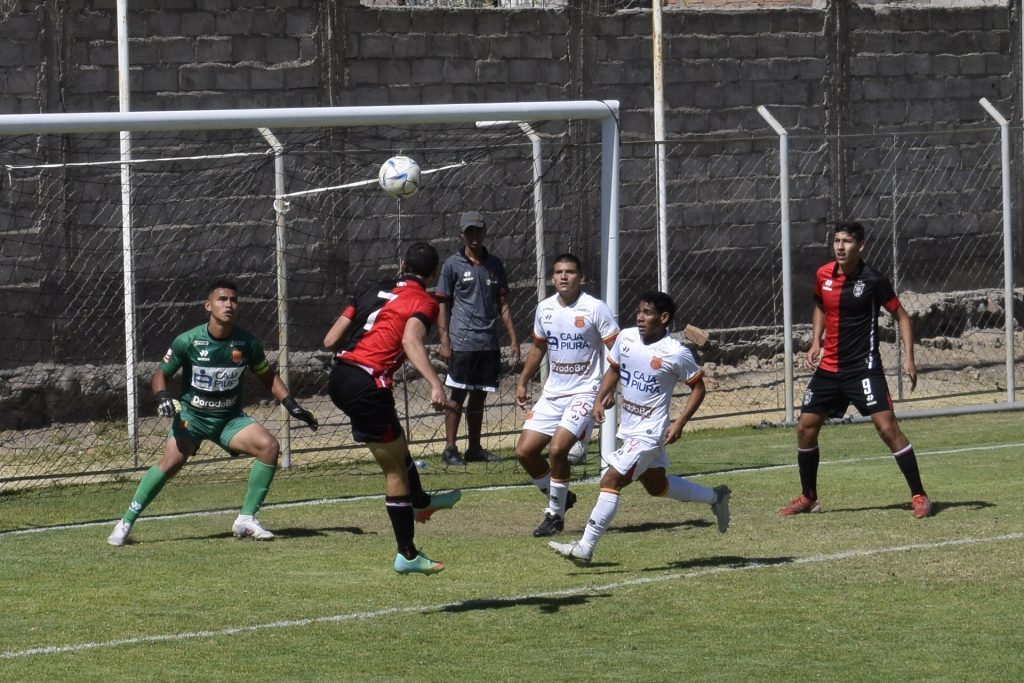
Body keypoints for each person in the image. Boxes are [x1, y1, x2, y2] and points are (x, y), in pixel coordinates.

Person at [107, 279, 319, 546]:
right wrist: (162, 396)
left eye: (233, 300)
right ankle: (125, 521)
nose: (229, 304)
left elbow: (267, 377)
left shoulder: (247, 343)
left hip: (229, 419)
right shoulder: (188, 340)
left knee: (269, 447)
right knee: (171, 463)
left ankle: (246, 519)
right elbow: (161, 374)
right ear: (208, 306)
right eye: (222, 299)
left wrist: (292, 405)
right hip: (192, 418)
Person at [550, 291, 730, 565]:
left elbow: (698, 388)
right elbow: (614, 368)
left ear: (664, 317)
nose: (639, 317)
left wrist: (679, 423)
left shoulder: (676, 353)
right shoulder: (627, 337)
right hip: (630, 428)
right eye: (638, 311)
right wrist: (602, 397)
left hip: (650, 433)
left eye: (646, 312)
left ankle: (585, 547)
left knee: (610, 480)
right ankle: (716, 497)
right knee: (656, 485)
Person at [323, 242, 462, 575]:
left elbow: (330, 340)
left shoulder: (372, 288)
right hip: (367, 383)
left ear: (401, 265)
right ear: (432, 274)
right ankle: (408, 554)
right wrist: (435, 382)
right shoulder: (425, 302)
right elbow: (410, 341)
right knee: (395, 470)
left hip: (340, 377)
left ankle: (422, 503)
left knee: (397, 447)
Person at [779, 221, 932, 519]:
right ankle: (808, 497)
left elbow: (901, 317)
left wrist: (909, 358)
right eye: (836, 240)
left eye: (846, 241)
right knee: (805, 427)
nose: (839, 246)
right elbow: (821, 306)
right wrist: (815, 342)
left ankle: (919, 495)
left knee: (888, 429)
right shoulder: (823, 274)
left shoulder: (873, 280)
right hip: (829, 369)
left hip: (864, 369)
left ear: (860, 246)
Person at [514, 253, 619, 537]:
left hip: (586, 391)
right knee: (524, 451)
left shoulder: (595, 309)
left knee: (558, 449)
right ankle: (560, 496)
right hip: (552, 393)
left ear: (580, 277)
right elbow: (538, 348)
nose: (563, 276)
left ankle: (555, 516)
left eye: (570, 272)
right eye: (558, 272)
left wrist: (608, 391)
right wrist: (523, 381)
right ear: (551, 278)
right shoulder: (544, 309)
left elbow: (617, 350)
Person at [436, 210, 520, 465]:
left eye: (478, 230)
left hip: (488, 342)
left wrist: (513, 338)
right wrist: (444, 340)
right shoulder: (452, 265)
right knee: (457, 394)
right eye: (469, 231)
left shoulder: (495, 265)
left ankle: (474, 447)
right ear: (462, 234)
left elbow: (503, 303)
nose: (474, 235)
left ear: (485, 232)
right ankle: (450, 448)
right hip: (462, 341)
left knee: (480, 395)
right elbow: (442, 304)